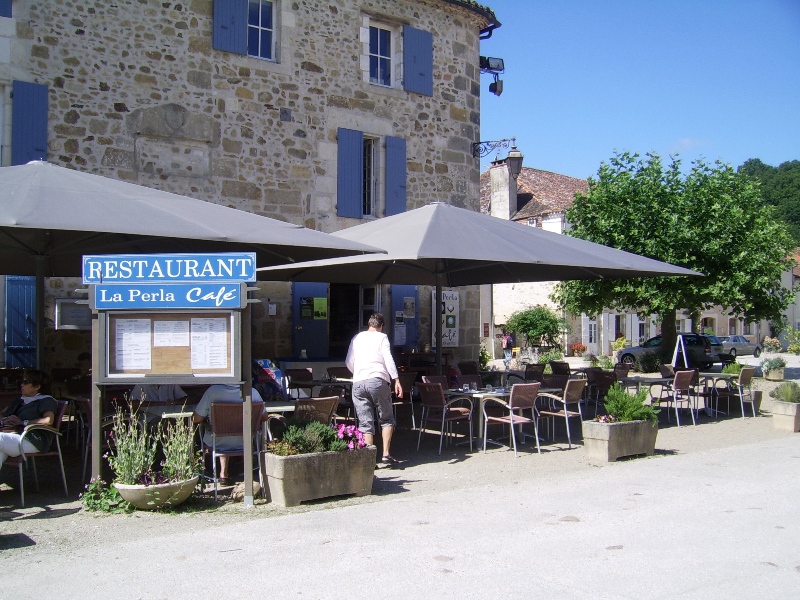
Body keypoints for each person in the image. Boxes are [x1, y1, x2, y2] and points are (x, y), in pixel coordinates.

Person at [345, 312, 403, 467]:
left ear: (369, 324)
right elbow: (388, 359)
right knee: (386, 418)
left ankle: (370, 459)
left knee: (365, 422)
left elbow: (349, 361)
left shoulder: (357, 338)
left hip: (358, 381)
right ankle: (386, 455)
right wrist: (396, 379)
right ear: (382, 326)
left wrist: (358, 372)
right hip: (377, 380)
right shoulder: (381, 337)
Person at [192, 384, 263, 482]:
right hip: (244, 442)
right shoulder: (252, 392)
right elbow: (264, 417)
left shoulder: (213, 391)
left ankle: (222, 473)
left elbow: (196, 419)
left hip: (217, 441)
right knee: (230, 429)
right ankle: (227, 473)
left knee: (221, 430)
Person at [0, 369, 58, 468]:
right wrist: (4, 420)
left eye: (25, 382)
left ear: (37, 386)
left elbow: (48, 420)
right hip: (13, 436)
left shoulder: (46, 400)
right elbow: (1, 414)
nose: (21, 384)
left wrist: (23, 422)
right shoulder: (20, 400)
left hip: (33, 439)